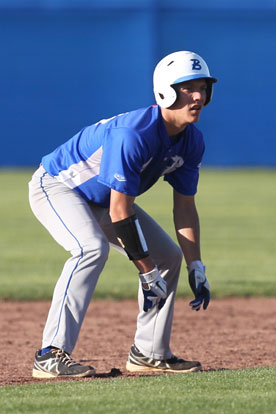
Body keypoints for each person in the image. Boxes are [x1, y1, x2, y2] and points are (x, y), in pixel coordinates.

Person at [28, 50, 217, 378]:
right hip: (58, 186)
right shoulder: (133, 134)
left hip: (103, 201)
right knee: (90, 248)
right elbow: (120, 211)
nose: (198, 95)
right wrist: (145, 272)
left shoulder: (191, 141)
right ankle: (50, 354)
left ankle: (150, 353)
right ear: (165, 91)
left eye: (202, 87)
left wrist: (195, 265)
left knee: (168, 258)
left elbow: (185, 207)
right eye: (187, 88)